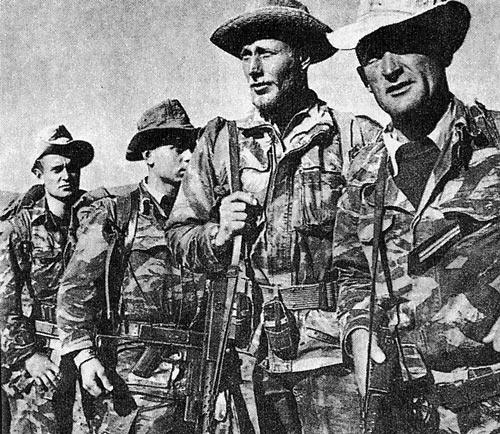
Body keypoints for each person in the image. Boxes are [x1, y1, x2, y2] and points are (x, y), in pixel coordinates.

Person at [165, 1, 381, 433]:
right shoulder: (221, 142)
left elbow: (383, 257)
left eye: (266, 53)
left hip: (333, 357)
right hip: (250, 357)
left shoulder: (353, 136)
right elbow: (178, 236)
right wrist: (218, 232)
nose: (253, 69)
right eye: (246, 56)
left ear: (302, 58)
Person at [330, 1, 500, 432]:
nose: (390, 68)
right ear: (364, 79)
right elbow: (351, 274)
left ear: (441, 50)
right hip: (404, 413)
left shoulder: (495, 143)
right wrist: (359, 331)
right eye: (373, 55)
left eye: (403, 44)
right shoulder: (362, 174)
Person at [56, 99, 217, 434]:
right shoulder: (116, 213)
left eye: (192, 147)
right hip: (133, 383)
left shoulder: (205, 220)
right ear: (149, 155)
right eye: (177, 148)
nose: (189, 156)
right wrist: (84, 356)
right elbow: (75, 290)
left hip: (196, 383)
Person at [0, 125, 94, 434]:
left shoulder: (93, 222)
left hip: (83, 351)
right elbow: (4, 303)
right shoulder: (20, 229)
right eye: (57, 169)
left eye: (72, 168)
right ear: (39, 174)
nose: (67, 176)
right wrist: (28, 355)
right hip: (39, 356)